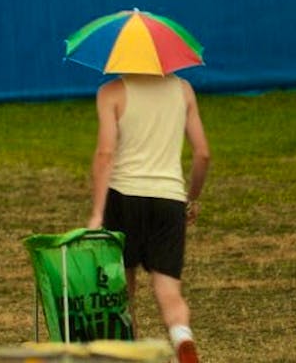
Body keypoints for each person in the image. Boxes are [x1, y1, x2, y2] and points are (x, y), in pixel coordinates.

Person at [85, 73, 210, 363]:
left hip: (123, 198)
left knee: (122, 291)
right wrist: (191, 199)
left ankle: (132, 354)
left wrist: (97, 213)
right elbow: (203, 154)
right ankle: (182, 337)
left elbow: (105, 154)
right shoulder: (184, 90)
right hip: (169, 199)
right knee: (169, 291)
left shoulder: (110, 92)